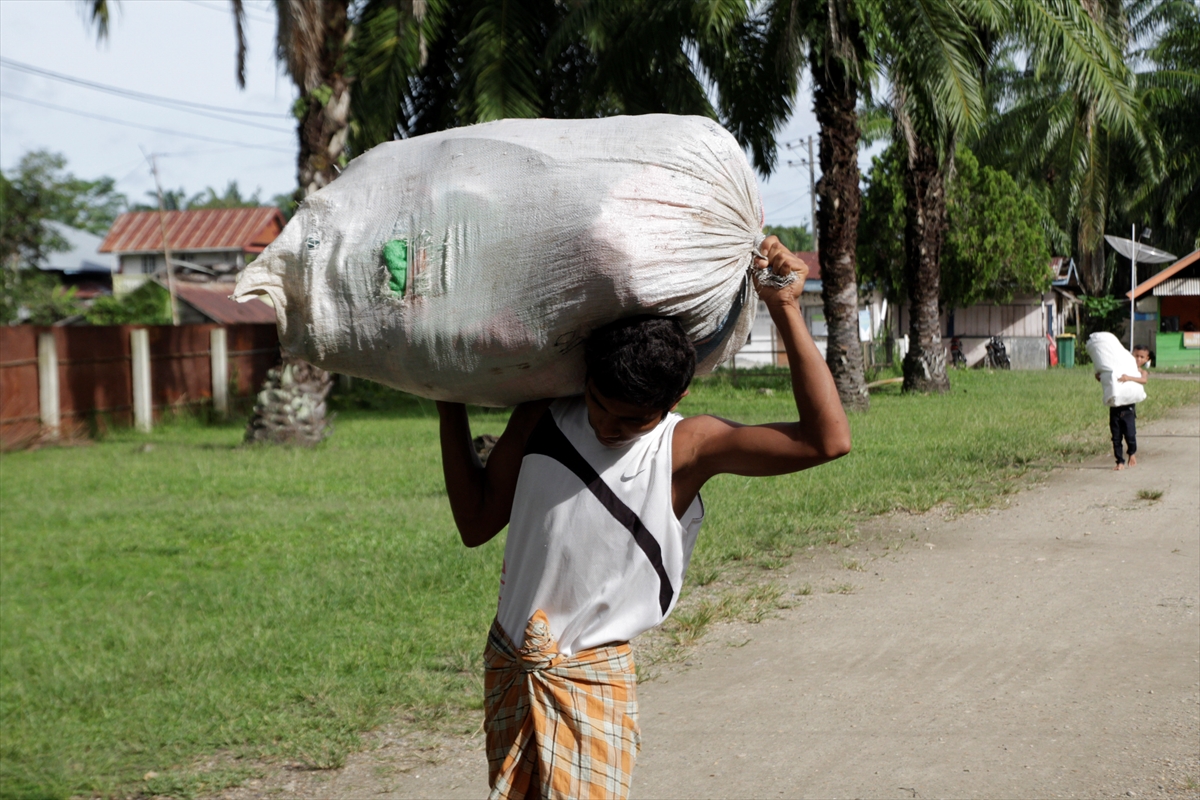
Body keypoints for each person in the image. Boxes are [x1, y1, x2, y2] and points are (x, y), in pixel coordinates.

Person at [436, 236, 851, 799]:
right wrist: (446, 401)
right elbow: (477, 521)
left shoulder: (685, 450)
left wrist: (784, 307)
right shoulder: (543, 415)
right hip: (509, 667)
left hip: (589, 681)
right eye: (598, 404)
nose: (607, 427)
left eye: (631, 420)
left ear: (673, 399)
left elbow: (827, 440)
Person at [1096, 344, 1149, 470]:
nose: (1138, 359)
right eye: (1136, 356)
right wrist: (1101, 377)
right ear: (1131, 355)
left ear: (1146, 359)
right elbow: (1111, 379)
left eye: (1142, 357)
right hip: (1115, 407)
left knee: (1130, 434)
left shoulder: (1141, 372)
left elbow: (1144, 380)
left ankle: (1132, 453)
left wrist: (1128, 378)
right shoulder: (1119, 368)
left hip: (1128, 409)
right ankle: (1119, 461)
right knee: (1116, 436)